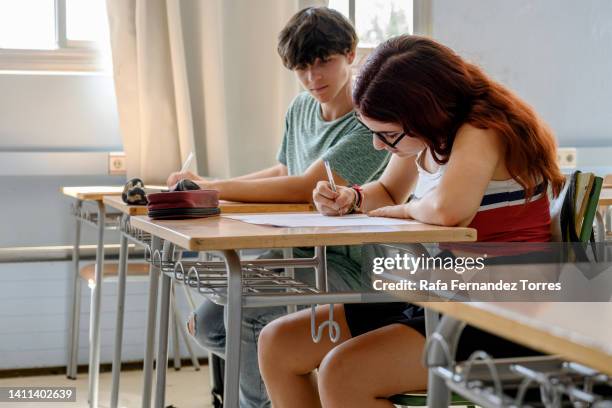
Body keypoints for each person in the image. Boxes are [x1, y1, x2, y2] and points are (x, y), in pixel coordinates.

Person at [258, 35, 564, 408]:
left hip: (499, 311)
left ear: (425, 113)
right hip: (441, 292)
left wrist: (402, 209)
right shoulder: (423, 135)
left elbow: (449, 211)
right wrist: (350, 197)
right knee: (278, 343)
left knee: (344, 372)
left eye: (386, 135)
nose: (378, 146)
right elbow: (387, 191)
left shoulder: (481, 129)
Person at [169, 7, 389, 408]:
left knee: (251, 318)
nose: (313, 78)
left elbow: (305, 187)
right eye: (302, 68)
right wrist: (206, 191)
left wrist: (215, 188)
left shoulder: (368, 121)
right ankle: (291, 392)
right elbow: (284, 170)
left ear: (351, 54)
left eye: (324, 62)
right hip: (296, 254)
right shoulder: (300, 108)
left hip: (348, 265)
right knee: (208, 325)